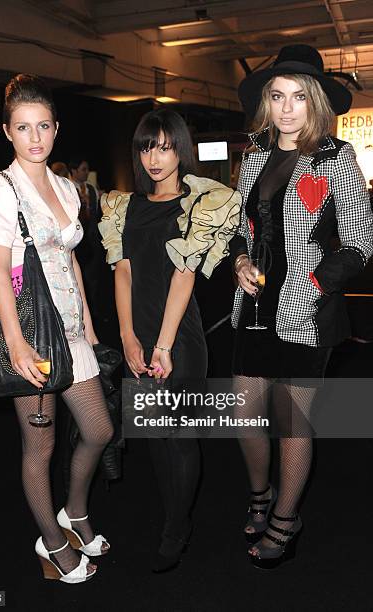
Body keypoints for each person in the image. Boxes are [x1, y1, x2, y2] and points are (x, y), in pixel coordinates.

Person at [231, 44, 373, 569]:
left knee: (292, 423)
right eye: (277, 96)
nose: (287, 107)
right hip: (251, 310)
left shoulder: (336, 159)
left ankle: (287, 519)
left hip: (305, 313)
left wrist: (314, 280)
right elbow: (238, 231)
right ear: (266, 103)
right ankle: (260, 495)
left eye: (298, 97)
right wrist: (240, 260)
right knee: (245, 415)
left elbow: (361, 240)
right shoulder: (253, 158)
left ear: (314, 103)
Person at [0, 74, 113, 583]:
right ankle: (52, 543)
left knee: (100, 429)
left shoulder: (64, 187)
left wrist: (93, 332)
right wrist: (16, 341)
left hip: (74, 331)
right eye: (22, 128)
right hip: (34, 334)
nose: (34, 137)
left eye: (43, 127)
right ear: (7, 132)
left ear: (56, 129)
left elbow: (73, 264)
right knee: (41, 446)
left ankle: (73, 512)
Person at [98, 108, 241, 572]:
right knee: (153, 434)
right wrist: (127, 338)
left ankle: (177, 527)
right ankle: (171, 514)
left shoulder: (202, 204)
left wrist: (160, 345)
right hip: (137, 338)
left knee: (178, 437)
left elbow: (184, 276)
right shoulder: (125, 205)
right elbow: (123, 273)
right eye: (146, 146)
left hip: (179, 339)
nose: (155, 157)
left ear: (181, 147)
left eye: (164, 145)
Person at [68, 156, 104, 318]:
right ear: (74, 171)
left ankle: (95, 312)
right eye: (83, 169)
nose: (86, 172)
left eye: (87, 169)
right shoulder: (67, 188)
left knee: (94, 279)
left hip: (93, 240)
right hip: (77, 243)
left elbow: (97, 212)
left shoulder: (91, 189)